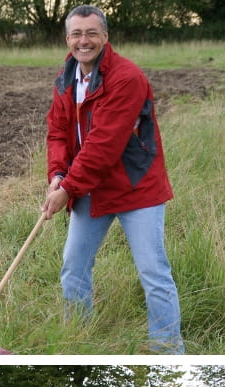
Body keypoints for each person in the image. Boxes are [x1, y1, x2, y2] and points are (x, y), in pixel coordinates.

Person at [41, 5, 184, 354]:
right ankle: (78, 340)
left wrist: (69, 188)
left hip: (136, 189)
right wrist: (58, 175)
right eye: (76, 34)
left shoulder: (126, 78)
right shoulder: (66, 77)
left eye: (91, 33)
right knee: (73, 268)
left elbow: (103, 146)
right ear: (67, 39)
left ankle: (167, 349)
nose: (83, 41)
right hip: (89, 186)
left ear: (105, 37)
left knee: (153, 272)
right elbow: (58, 132)